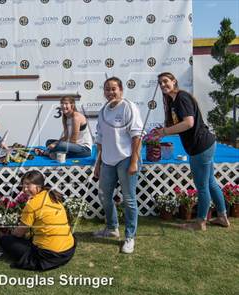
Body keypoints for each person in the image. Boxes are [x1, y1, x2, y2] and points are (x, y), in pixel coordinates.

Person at [155, 72, 230, 230]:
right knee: (210, 182)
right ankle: (222, 217)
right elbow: (183, 125)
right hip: (204, 145)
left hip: (200, 147)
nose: (162, 85)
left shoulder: (181, 98)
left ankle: (200, 222)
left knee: (202, 186)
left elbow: (189, 123)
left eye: (165, 81)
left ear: (174, 81)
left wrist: (165, 132)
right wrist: (164, 130)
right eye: (160, 83)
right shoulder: (173, 101)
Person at [92, 77, 143, 254]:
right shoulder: (103, 111)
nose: (110, 92)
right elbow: (100, 139)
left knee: (129, 199)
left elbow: (137, 137)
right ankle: (112, 228)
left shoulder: (129, 107)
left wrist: (134, 162)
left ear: (121, 90)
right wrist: (98, 163)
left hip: (127, 159)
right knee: (104, 195)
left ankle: (130, 237)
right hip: (107, 160)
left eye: (113, 89)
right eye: (107, 89)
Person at [0, 170, 76, 270]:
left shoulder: (32, 204)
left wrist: (8, 234)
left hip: (49, 255)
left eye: (28, 185)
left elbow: (19, 233)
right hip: (68, 251)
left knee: (5, 240)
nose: (24, 189)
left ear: (38, 186)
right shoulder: (51, 195)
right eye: (23, 185)